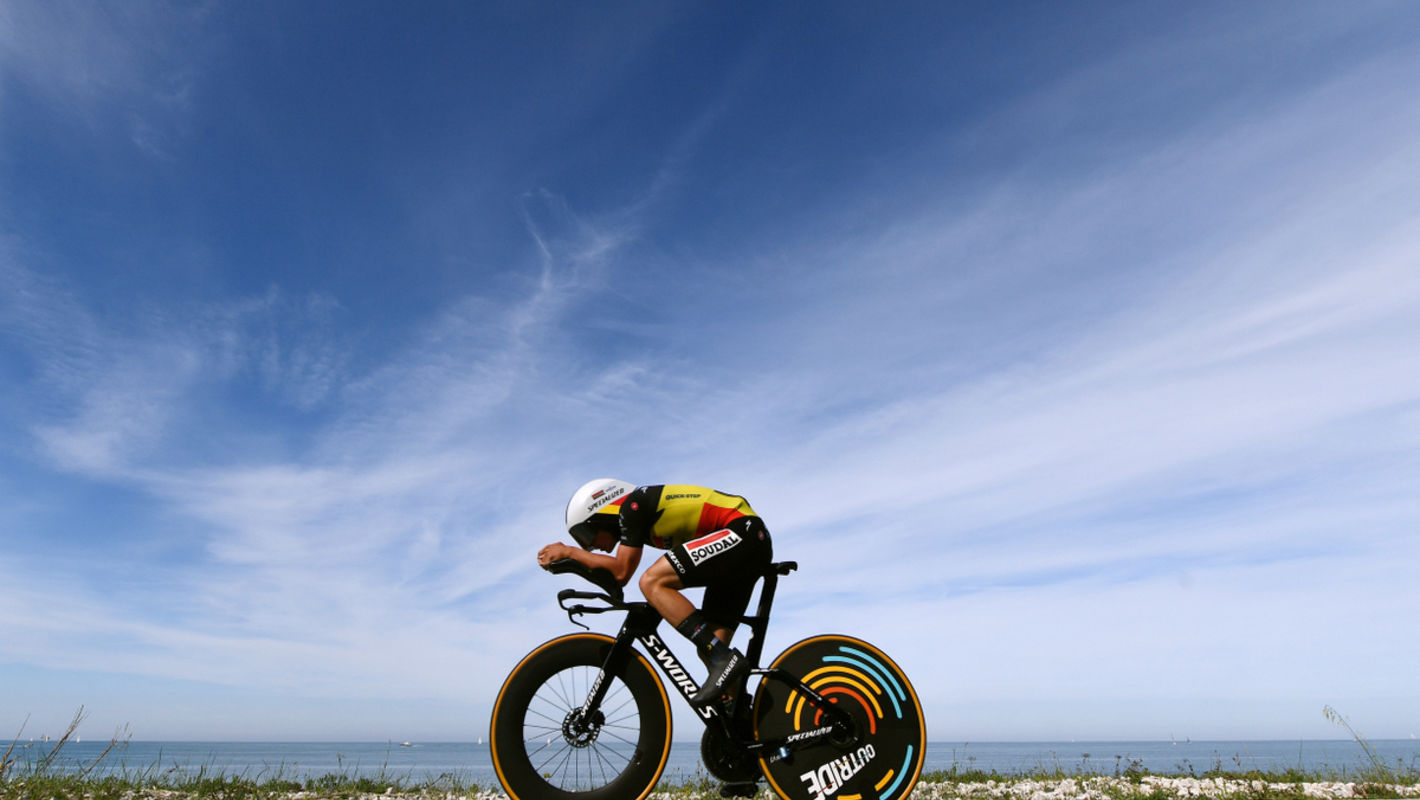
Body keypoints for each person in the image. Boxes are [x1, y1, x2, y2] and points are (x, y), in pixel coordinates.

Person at [537, 479, 773, 707]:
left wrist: (570, 552)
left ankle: (722, 658)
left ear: (599, 516)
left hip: (743, 530)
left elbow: (621, 572)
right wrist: (571, 565)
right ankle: (745, 718)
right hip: (746, 545)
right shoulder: (643, 522)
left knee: (652, 582)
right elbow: (614, 583)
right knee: (709, 649)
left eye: (585, 537)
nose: (589, 546)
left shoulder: (633, 506)